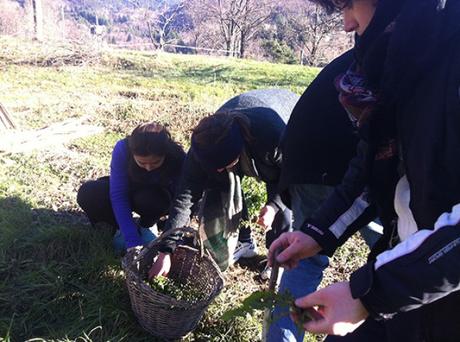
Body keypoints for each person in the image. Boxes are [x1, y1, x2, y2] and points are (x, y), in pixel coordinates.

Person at [269, 0, 460, 340]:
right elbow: (373, 165)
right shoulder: (401, 65)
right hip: (404, 266)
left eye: (349, 4)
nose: (346, 24)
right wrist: (317, 232)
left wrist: (372, 293)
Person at [268, 49, 382, 342]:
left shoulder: (378, 48)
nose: (347, 24)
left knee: (305, 259)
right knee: (389, 249)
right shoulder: (389, 53)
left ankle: (282, 336)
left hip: (303, 161)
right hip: (334, 164)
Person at [149, 88, 299, 276]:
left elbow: (291, 176)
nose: (218, 170)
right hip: (242, 136)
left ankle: (278, 258)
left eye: (222, 165)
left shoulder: (272, 136)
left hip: (287, 118)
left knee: (283, 207)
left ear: (237, 152)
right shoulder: (202, 146)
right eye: (213, 166)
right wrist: (166, 249)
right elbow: (184, 199)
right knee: (220, 188)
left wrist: (273, 206)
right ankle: (244, 241)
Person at [77, 122, 185, 253]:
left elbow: (182, 200)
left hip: (155, 198)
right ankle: (120, 228)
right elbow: (118, 194)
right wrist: (131, 237)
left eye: (155, 162)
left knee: (151, 199)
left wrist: (170, 240)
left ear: (165, 153)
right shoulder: (123, 149)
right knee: (89, 193)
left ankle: (147, 225)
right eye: (141, 162)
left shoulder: (177, 157)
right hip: (129, 188)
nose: (148, 167)